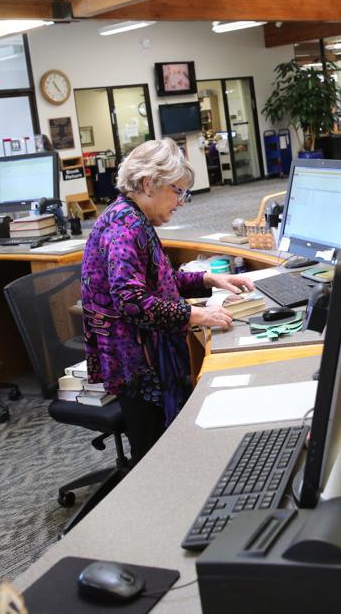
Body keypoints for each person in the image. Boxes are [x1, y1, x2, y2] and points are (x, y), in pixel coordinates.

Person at [81, 138, 253, 460]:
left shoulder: (132, 217)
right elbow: (131, 299)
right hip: (139, 364)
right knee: (157, 456)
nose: (181, 202)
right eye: (177, 191)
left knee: (168, 446)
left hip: (145, 355)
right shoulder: (124, 227)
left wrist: (208, 279)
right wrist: (197, 316)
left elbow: (157, 281)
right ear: (148, 183)